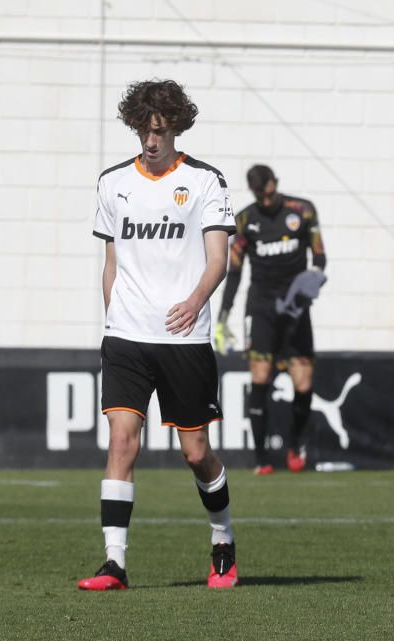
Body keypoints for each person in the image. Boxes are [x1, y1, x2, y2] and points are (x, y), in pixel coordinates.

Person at [79, 79, 238, 591]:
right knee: (122, 442)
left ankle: (222, 537)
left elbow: (220, 259)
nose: (151, 141)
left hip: (184, 340)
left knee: (196, 452)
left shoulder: (206, 181)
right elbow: (110, 264)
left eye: (161, 131)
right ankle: (114, 563)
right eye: (144, 131)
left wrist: (194, 302)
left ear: (176, 129)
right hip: (125, 337)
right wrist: (114, 317)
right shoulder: (111, 183)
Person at [214, 165, 327, 475]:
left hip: (296, 308)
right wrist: (223, 318)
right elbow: (234, 272)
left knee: (303, 382)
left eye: (267, 193)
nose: (265, 201)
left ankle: (295, 447)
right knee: (260, 377)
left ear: (275, 184)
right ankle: (261, 458)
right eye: (258, 196)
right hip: (261, 308)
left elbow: (319, 258)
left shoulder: (302, 211)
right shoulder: (245, 220)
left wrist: (310, 285)